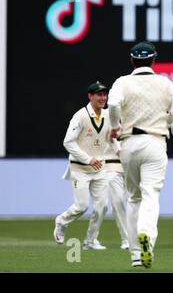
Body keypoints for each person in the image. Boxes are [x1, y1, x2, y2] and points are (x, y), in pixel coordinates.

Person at [108, 41, 173, 268]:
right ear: (154, 60)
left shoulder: (122, 82)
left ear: (132, 60)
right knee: (150, 195)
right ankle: (146, 236)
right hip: (155, 142)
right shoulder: (165, 83)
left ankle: (136, 253)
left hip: (128, 144)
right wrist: (165, 120)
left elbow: (113, 104)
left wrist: (115, 125)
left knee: (134, 197)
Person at [53, 82, 121, 250]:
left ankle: (90, 241)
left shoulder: (108, 115)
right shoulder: (80, 116)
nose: (103, 98)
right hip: (80, 169)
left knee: (102, 206)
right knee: (81, 206)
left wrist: (119, 152)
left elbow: (110, 138)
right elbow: (68, 142)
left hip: (100, 169)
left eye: (105, 95)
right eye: (99, 95)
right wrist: (88, 159)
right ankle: (61, 222)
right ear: (90, 96)